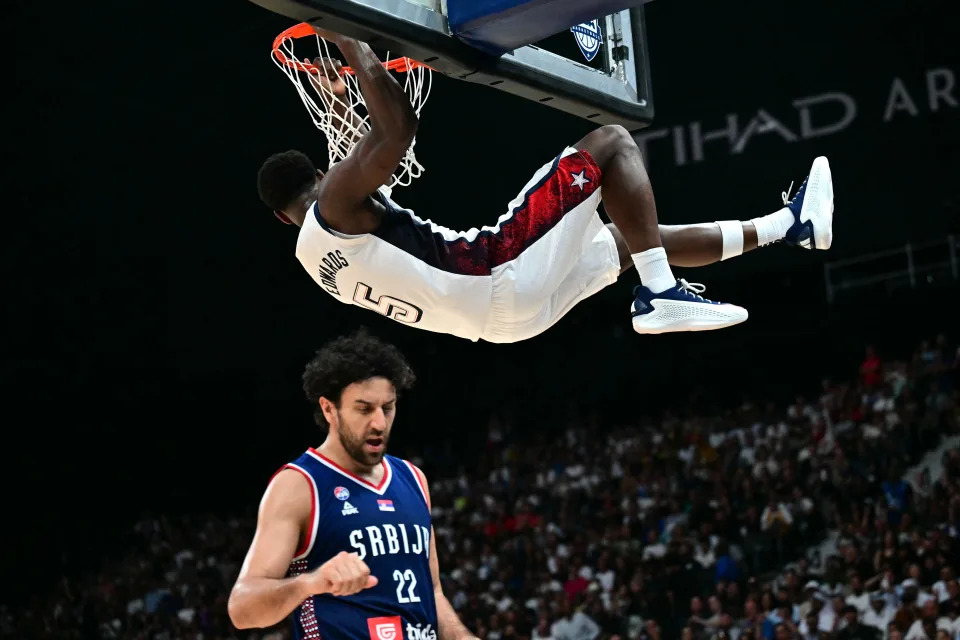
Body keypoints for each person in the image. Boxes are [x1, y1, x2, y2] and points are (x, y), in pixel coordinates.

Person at [257, 28, 835, 343]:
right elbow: (397, 132)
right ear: (315, 174)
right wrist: (352, 40)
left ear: (283, 217)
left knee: (628, 241)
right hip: (497, 271)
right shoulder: (333, 199)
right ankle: (661, 294)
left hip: (504, 325)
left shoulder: (314, 259)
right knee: (610, 142)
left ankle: (790, 226)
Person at [228, 328, 478, 640]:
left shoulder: (413, 479)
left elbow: (433, 593)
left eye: (387, 407)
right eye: (364, 409)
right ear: (329, 409)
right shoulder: (298, 484)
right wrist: (311, 582)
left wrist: (461, 636)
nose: (380, 423)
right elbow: (242, 608)